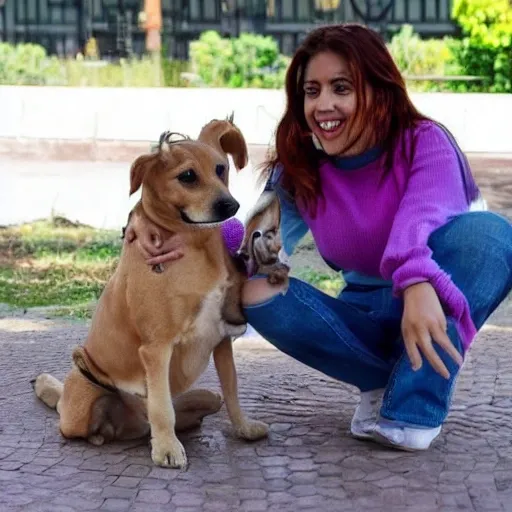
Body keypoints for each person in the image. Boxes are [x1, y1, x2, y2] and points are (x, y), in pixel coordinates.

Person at [124, 23, 512, 452]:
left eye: (341, 88)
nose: (323, 104)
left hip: (429, 300)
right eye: (312, 91)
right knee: (257, 291)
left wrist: (417, 280)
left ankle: (412, 408)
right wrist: (148, 221)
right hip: (362, 319)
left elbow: (418, 219)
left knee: (493, 237)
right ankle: (383, 379)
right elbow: (253, 240)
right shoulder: (300, 165)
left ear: (378, 89)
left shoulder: (425, 142)